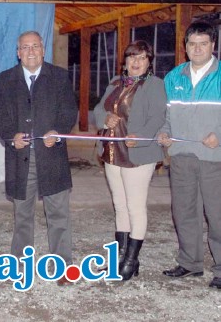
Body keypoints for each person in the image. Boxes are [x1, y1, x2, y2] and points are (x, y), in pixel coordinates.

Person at [0, 30, 77, 286]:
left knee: (59, 214)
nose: (31, 51)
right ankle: (19, 264)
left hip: (52, 156)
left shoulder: (60, 77)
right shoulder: (5, 79)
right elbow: (0, 117)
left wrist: (58, 131)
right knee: (23, 216)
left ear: (43, 50)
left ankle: (64, 267)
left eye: (35, 46)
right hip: (21, 158)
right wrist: (11, 135)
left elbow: (69, 111)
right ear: (18, 53)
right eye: (25, 47)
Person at [94, 40, 166, 280]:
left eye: (142, 58)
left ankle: (132, 261)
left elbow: (157, 117)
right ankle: (120, 258)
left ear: (149, 62)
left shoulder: (155, 85)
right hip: (112, 151)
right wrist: (106, 119)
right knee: (120, 205)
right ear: (124, 61)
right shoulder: (115, 82)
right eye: (132, 57)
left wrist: (142, 136)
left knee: (135, 207)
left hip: (138, 153)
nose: (136, 62)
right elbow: (97, 110)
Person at [158, 21, 221, 289]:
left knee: (217, 214)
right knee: (183, 211)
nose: (197, 49)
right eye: (192, 44)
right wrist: (164, 133)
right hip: (182, 156)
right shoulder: (173, 77)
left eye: (203, 43)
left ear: (213, 46)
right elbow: (167, 115)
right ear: (185, 47)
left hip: (214, 158)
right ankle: (190, 263)